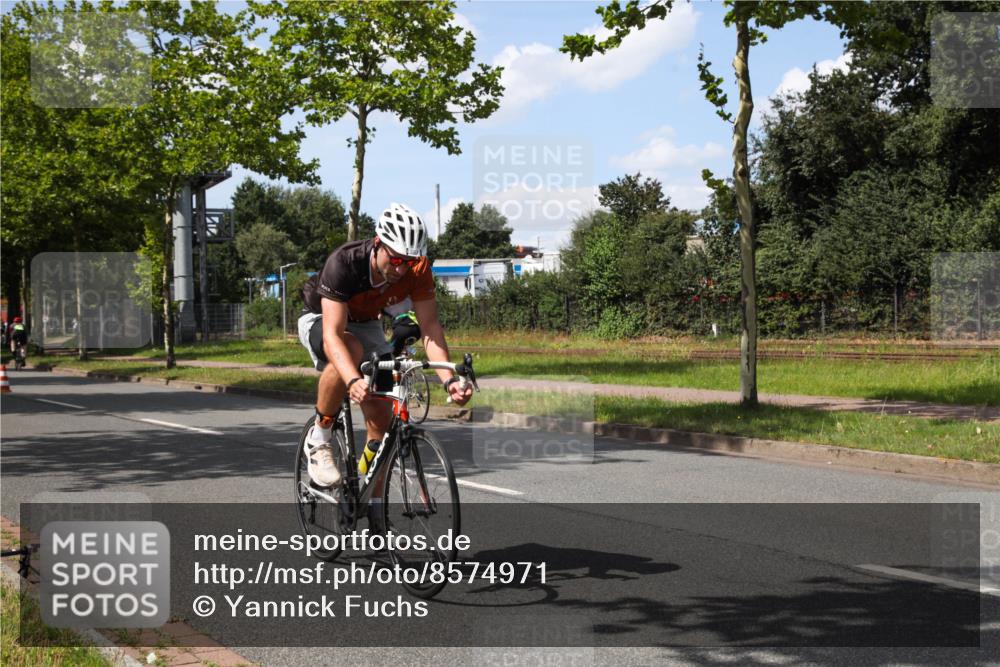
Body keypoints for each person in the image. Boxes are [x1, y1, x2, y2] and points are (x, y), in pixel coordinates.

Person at [297, 202, 472, 488]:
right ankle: (320, 437)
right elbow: (333, 335)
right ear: (378, 244)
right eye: (396, 260)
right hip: (322, 317)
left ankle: (373, 509)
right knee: (350, 350)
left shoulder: (417, 269)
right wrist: (353, 379)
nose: (401, 269)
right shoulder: (345, 262)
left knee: (381, 419)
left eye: (409, 261)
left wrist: (449, 379)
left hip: (366, 323)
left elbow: (430, 327)